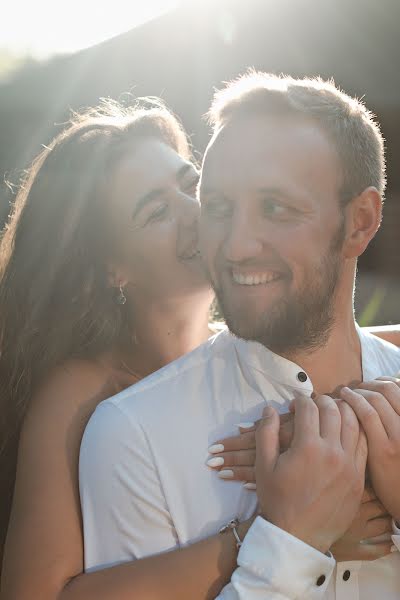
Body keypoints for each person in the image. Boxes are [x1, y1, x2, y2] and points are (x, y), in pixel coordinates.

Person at [0, 92, 398, 600]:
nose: (201, 216)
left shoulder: (257, 344)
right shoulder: (89, 392)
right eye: (156, 211)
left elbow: (361, 340)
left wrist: (338, 414)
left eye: (194, 188)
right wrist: (277, 532)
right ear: (113, 269)